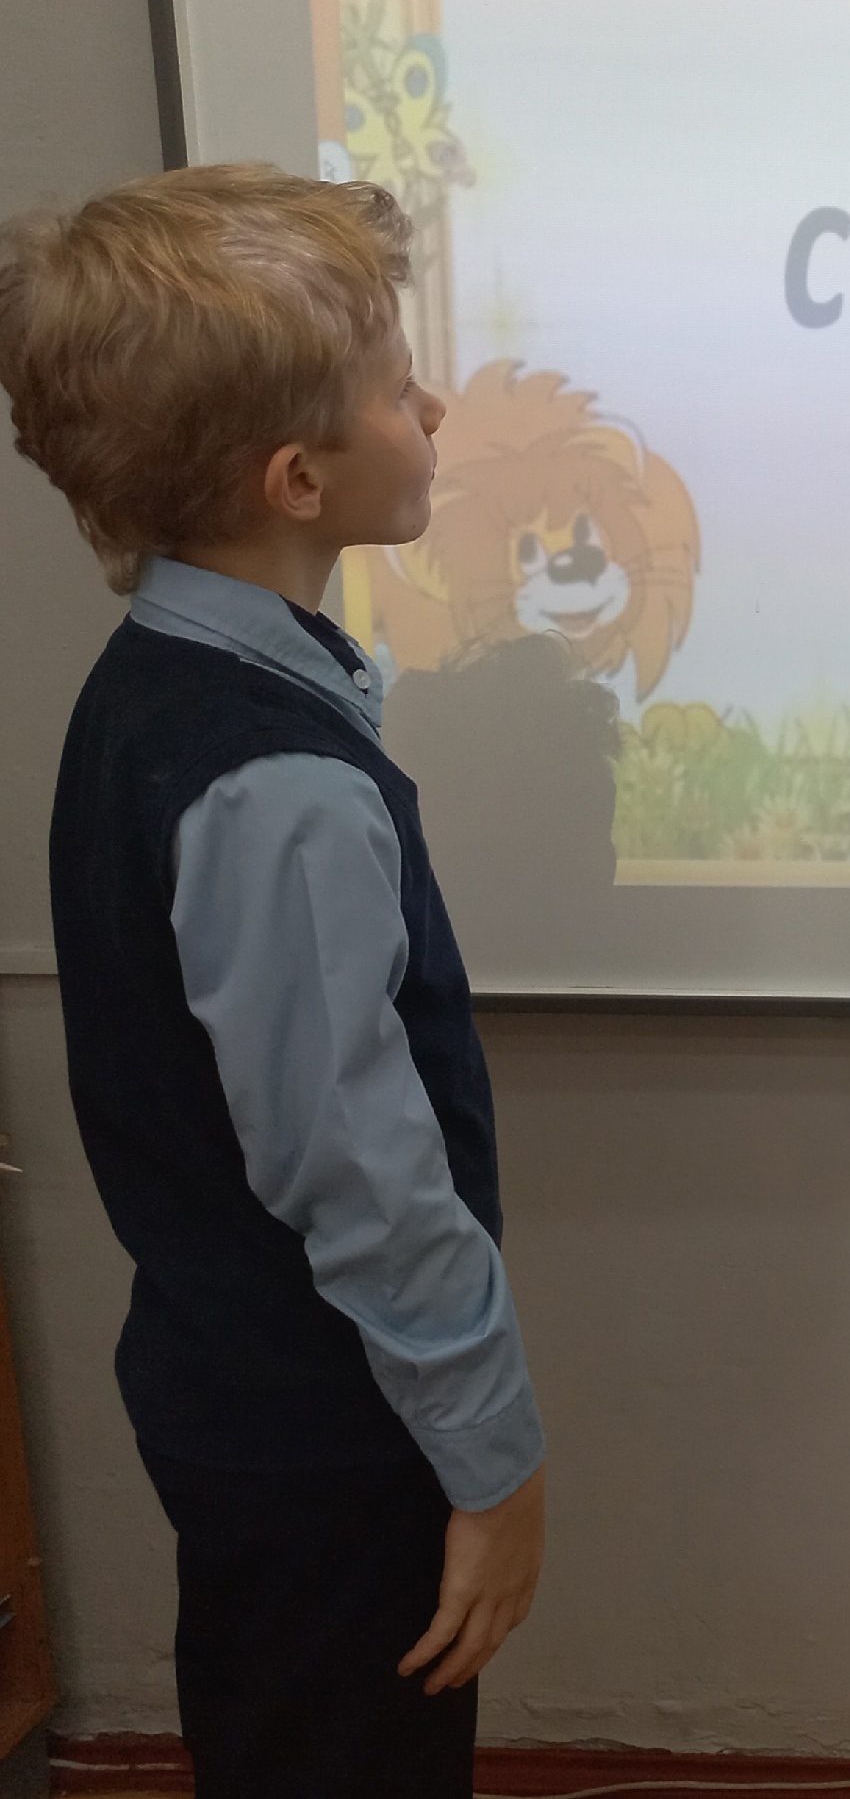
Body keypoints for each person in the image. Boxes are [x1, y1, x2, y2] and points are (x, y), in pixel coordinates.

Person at [0, 166, 544, 1798]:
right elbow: (360, 1176)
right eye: (397, 385)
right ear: (298, 478)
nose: (429, 408)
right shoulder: (278, 786)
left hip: (239, 1392)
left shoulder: (155, 686)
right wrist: (494, 1454)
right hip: (334, 1433)